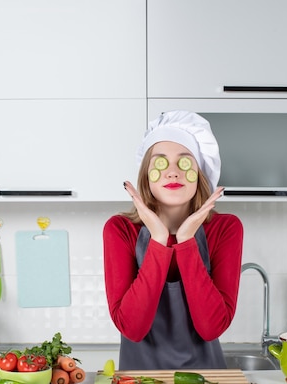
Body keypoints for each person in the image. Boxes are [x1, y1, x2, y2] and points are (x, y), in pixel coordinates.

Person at [102, 110, 244, 370]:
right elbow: (132, 328)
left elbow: (211, 328)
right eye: (160, 163)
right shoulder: (120, 230)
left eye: (185, 162)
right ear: (146, 175)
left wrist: (186, 240)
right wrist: (158, 239)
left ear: (200, 173)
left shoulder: (225, 229)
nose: (172, 172)